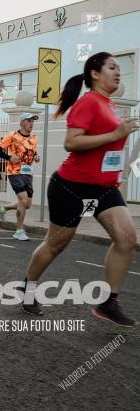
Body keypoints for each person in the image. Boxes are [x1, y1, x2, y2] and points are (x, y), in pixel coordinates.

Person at [23, 52, 139, 325]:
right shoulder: (87, 103)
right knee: (55, 245)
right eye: (112, 67)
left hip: (104, 188)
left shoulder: (110, 105)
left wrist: (117, 167)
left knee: (127, 239)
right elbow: (71, 143)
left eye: (119, 68)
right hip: (71, 187)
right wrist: (116, 134)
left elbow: (110, 149)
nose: (118, 72)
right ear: (95, 73)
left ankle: (109, 303)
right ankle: (28, 288)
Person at [0, 113, 40, 240]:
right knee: (23, 200)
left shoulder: (34, 137)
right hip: (14, 172)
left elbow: (33, 151)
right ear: (21, 123)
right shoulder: (12, 136)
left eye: (32, 121)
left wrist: (36, 156)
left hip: (28, 173)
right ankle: (19, 230)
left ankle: (2, 207)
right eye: (29, 121)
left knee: (27, 204)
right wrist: (9, 158)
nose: (31, 124)